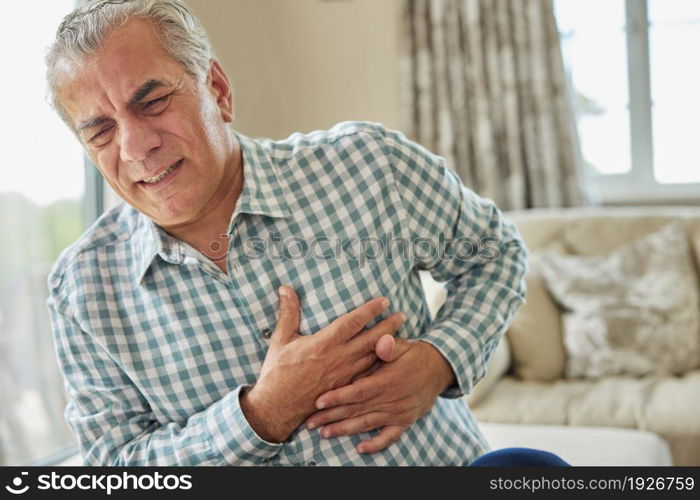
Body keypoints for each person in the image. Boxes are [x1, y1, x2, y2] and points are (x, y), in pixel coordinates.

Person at [45, 0, 559, 466]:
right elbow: (116, 466)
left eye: (153, 101)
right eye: (101, 131)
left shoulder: (367, 163)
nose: (136, 147)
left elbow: (496, 254)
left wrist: (441, 360)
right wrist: (262, 415)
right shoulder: (81, 288)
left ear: (217, 91)